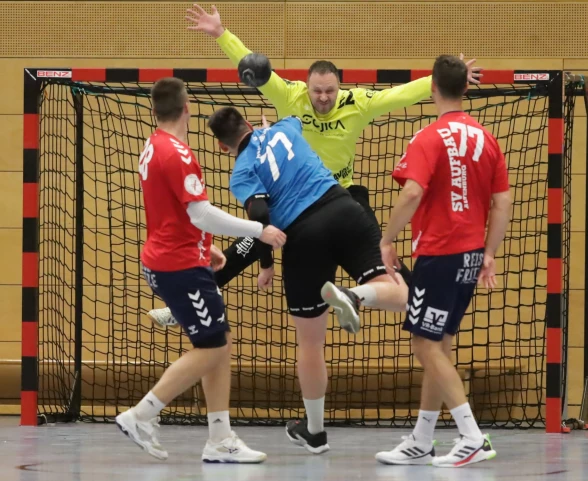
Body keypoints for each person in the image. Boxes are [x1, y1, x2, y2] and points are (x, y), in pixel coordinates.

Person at [143, 4, 484, 328]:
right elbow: (258, 70)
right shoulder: (291, 98)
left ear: (340, 87)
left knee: (380, 248)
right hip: (295, 202)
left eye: (330, 91)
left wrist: (447, 80)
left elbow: (401, 94)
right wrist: (221, 33)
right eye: (317, 91)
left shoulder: (358, 103)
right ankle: (182, 306)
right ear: (308, 88)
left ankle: (416, 302)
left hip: (341, 195)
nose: (323, 98)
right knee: (250, 242)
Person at [207, 107, 409, 453]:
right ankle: (357, 294)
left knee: (311, 343)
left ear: (224, 148)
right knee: (403, 293)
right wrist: (270, 129)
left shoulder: (241, 172)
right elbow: (296, 120)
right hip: (344, 209)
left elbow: (260, 215)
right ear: (251, 123)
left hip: (303, 236)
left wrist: (267, 262)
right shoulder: (286, 127)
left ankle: (315, 432)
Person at [115, 77, 286, 463]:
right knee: (212, 347)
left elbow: (172, 211)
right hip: (178, 266)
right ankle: (141, 415)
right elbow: (200, 212)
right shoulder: (176, 153)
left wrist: (206, 249)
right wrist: (260, 230)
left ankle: (220, 439)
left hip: (177, 259)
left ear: (155, 109)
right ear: (187, 106)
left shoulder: (153, 146)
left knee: (217, 344)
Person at [370, 55, 511, 468]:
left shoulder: (428, 138)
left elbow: (412, 193)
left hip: (439, 252)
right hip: (469, 255)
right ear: (465, 89)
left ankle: (471, 436)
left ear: (432, 88)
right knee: (440, 343)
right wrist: (489, 253)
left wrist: (387, 238)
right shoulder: (487, 138)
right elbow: (503, 202)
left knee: (425, 344)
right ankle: (422, 438)